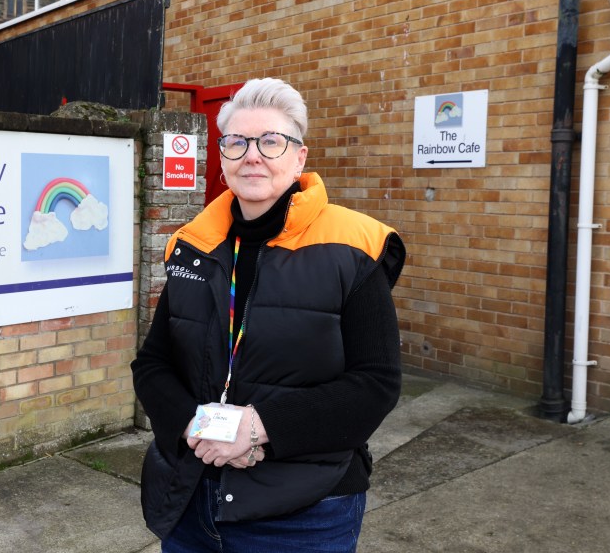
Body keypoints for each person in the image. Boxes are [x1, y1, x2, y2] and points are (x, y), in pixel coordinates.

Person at [131, 77, 406, 552]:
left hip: (303, 516)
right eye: (237, 142)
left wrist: (257, 428)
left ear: (298, 157)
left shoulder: (355, 247)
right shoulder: (192, 246)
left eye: (270, 141)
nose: (252, 155)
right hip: (190, 500)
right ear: (222, 156)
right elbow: (152, 364)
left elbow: (375, 383)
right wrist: (194, 427)